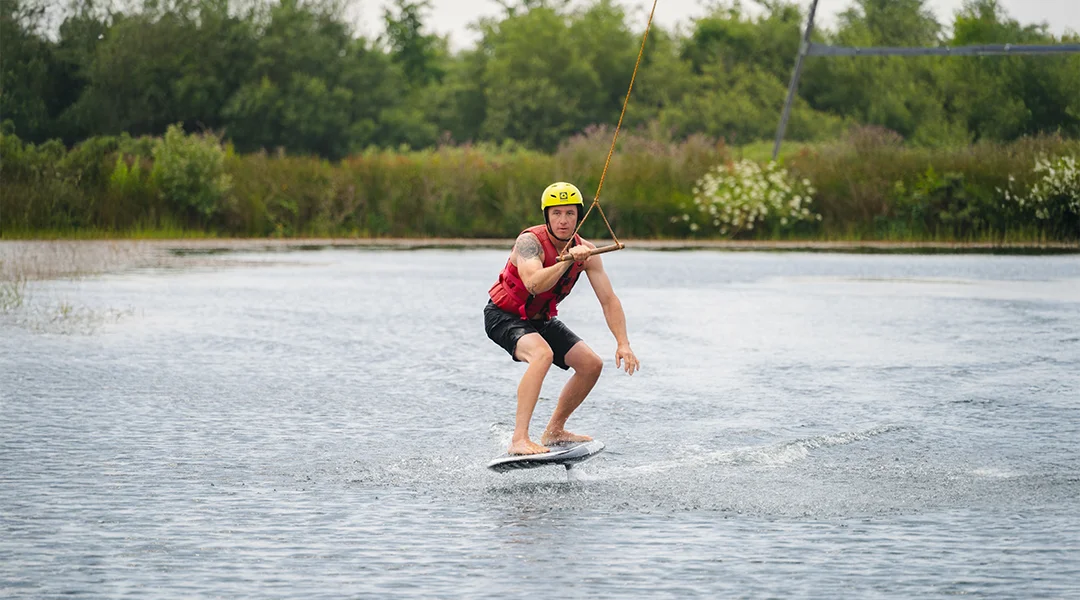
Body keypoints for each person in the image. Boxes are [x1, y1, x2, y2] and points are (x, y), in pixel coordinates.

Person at [484, 181, 640, 456]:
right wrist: (566, 260)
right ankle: (519, 439)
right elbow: (533, 283)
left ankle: (554, 431)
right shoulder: (529, 243)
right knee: (542, 354)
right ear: (546, 216)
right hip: (504, 316)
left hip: (541, 320)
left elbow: (609, 300)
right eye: (556, 213)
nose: (563, 221)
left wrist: (623, 342)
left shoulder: (587, 252)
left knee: (591, 365)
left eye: (570, 213)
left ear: (579, 215)